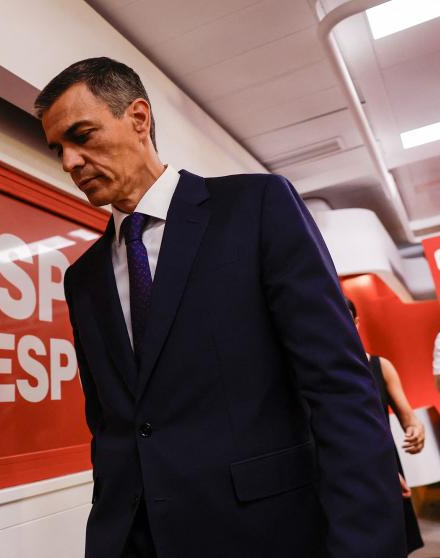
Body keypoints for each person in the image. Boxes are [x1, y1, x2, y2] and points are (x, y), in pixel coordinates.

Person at [36, 57, 404, 558]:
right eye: (58, 148)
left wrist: (365, 544)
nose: (69, 162)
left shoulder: (255, 207)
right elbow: (109, 424)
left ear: (138, 118)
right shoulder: (83, 278)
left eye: (82, 136)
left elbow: (338, 386)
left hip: (262, 534)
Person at [347, 297, 425, 554]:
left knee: (395, 542)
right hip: (349, 468)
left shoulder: (380, 366)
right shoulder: (320, 372)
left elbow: (407, 416)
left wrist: (415, 429)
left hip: (386, 461)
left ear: (356, 322)